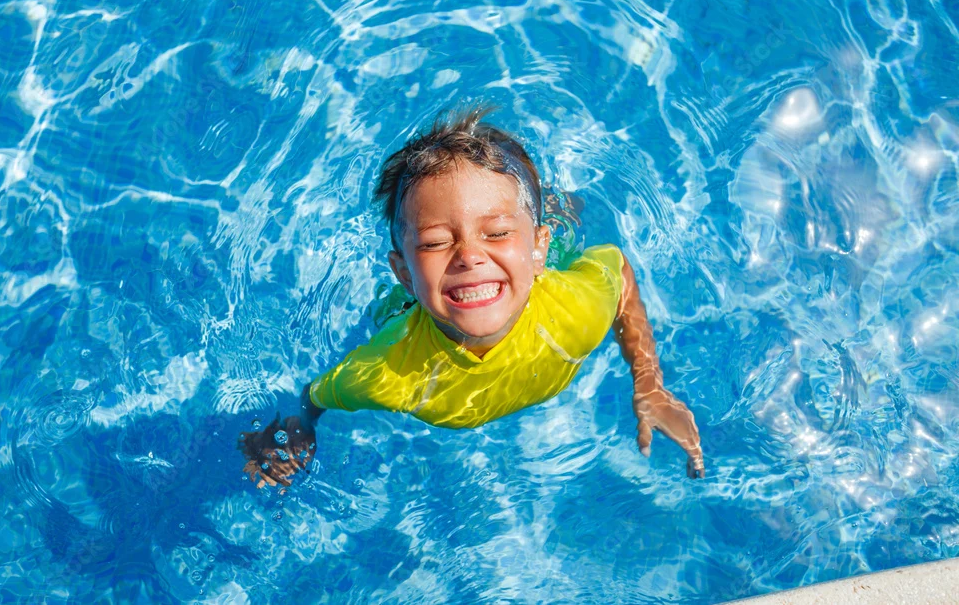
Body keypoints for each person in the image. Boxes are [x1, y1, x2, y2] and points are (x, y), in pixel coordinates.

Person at [239, 106, 704, 487]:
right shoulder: (389, 370)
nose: (468, 256)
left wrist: (649, 384)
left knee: (566, 218)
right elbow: (315, 396)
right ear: (402, 269)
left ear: (535, 249)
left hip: (544, 269)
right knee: (387, 312)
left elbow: (617, 267)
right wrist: (297, 429)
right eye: (436, 242)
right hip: (409, 311)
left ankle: (549, 214)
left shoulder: (574, 311)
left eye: (495, 232)